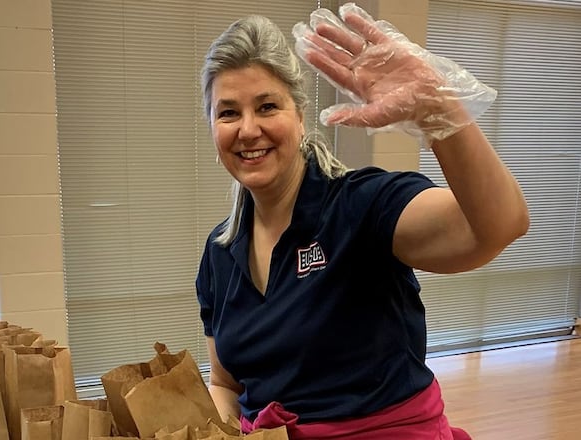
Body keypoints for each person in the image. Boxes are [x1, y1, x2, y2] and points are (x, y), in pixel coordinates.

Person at [195, 4, 529, 440]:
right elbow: (226, 384)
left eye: (267, 106)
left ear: (299, 115)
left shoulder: (361, 206)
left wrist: (438, 111)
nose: (248, 129)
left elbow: (499, 225)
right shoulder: (220, 253)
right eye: (228, 113)